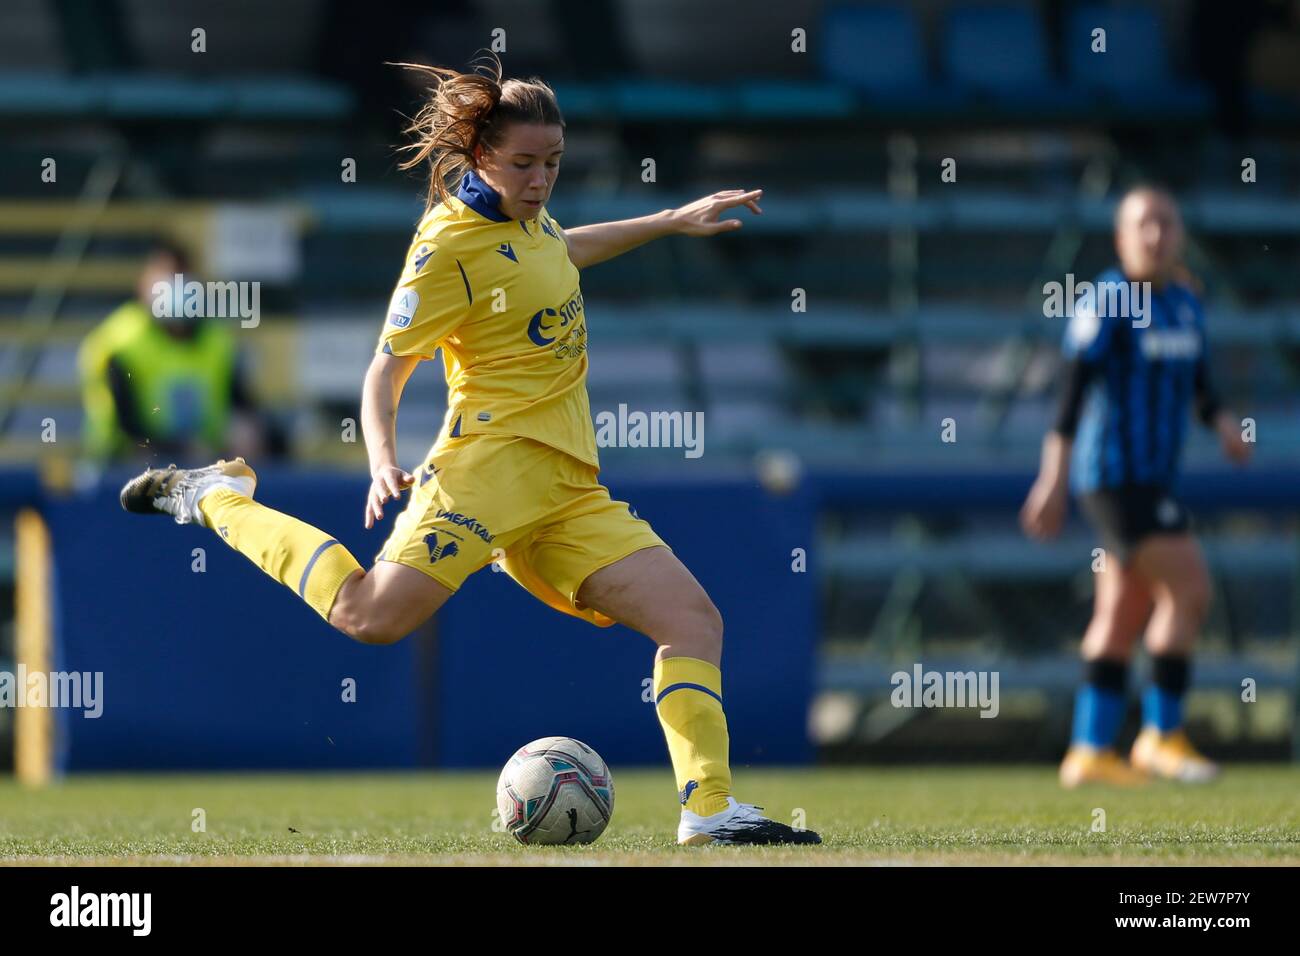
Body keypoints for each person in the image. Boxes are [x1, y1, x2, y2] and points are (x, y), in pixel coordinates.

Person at [119, 55, 819, 846]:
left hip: (566, 488)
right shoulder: (446, 242)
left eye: (553, 162)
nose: (541, 178)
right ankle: (217, 497)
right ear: (481, 155)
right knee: (369, 616)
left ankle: (709, 808)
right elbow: (385, 370)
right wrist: (382, 457)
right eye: (523, 162)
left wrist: (667, 220)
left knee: (692, 620)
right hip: (483, 472)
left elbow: (560, 250)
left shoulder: (531, 222)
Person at [1021, 185, 1251, 788]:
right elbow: (1070, 399)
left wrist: (1224, 424)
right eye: (1142, 224)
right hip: (1117, 479)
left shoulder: (1186, 302)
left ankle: (1090, 751)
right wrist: (1053, 479)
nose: (1155, 235)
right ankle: (1160, 736)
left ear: (1179, 233)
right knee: (1191, 589)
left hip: (1153, 479)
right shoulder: (1108, 300)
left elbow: (1199, 383)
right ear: (1122, 238)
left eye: (1166, 223)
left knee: (1121, 614)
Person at [79, 241, 265, 463]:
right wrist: (178, 449)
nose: (173, 285)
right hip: (123, 468)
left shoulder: (217, 340)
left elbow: (243, 406)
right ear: (143, 283)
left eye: (180, 274)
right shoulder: (118, 342)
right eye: (165, 276)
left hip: (205, 464)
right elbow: (125, 427)